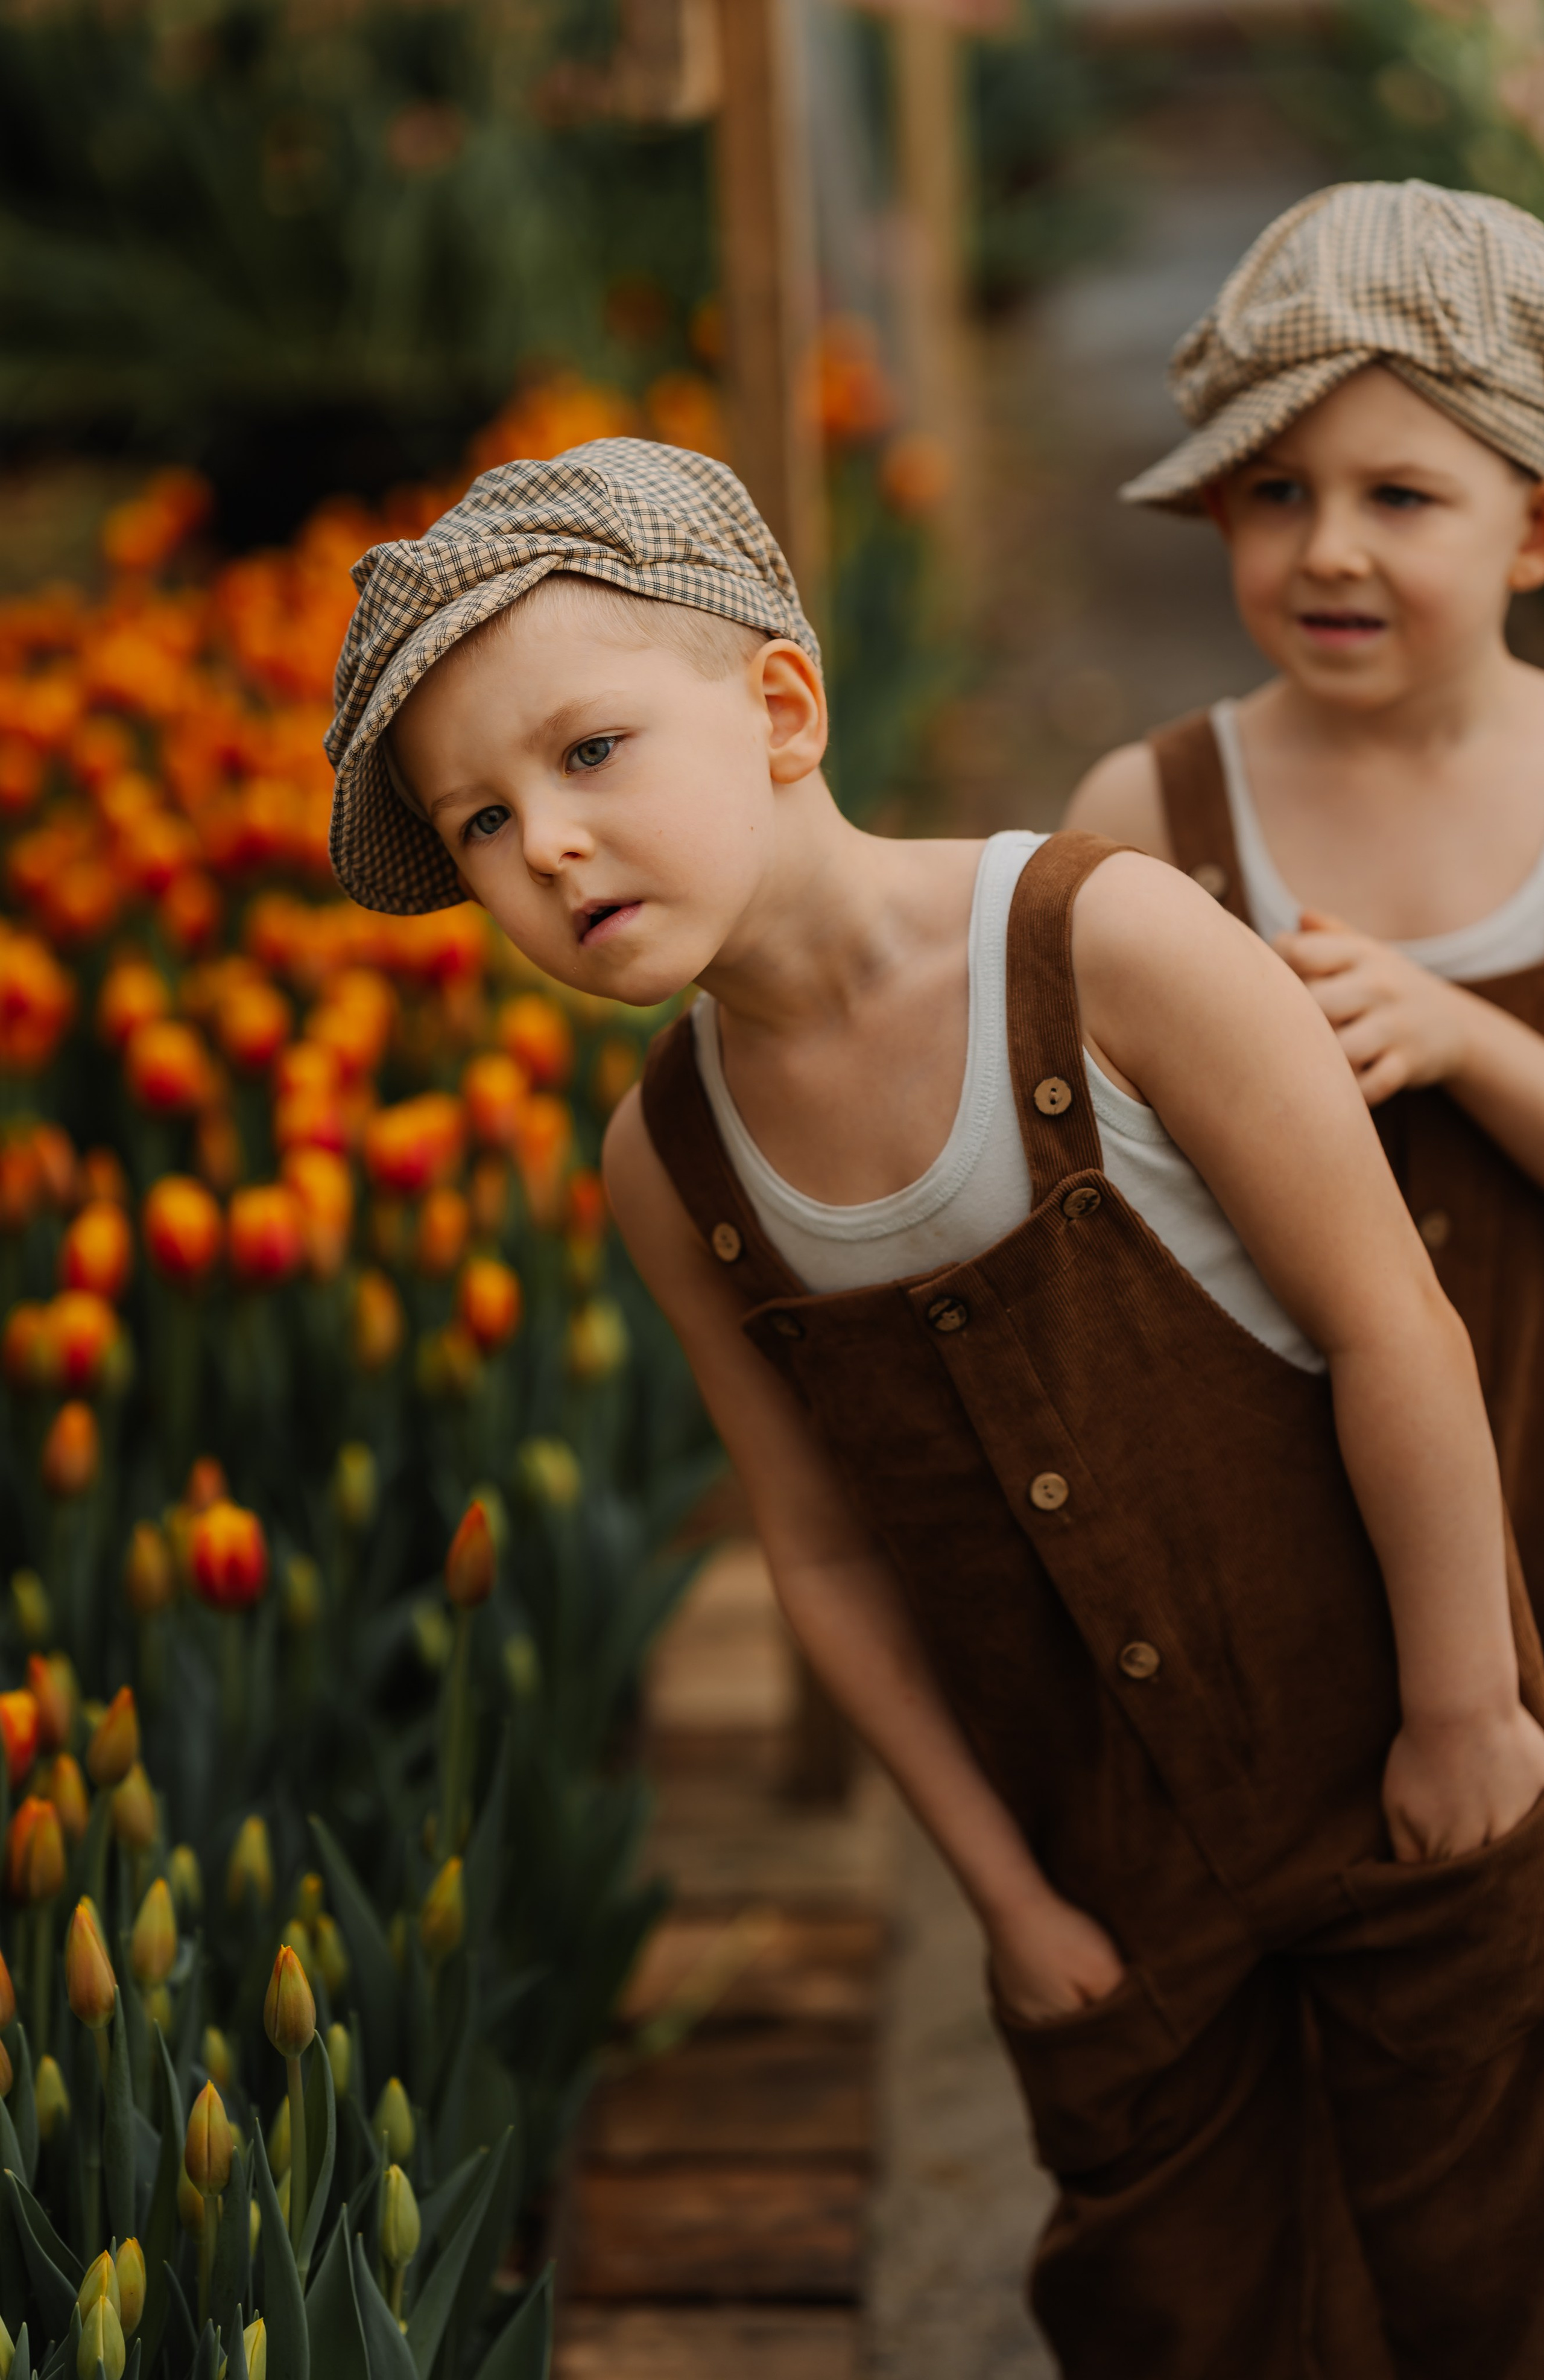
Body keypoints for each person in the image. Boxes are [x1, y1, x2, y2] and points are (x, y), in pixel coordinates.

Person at [326, 437, 1544, 2376]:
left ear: (783, 704)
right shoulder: (677, 1166)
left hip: (1393, 1764)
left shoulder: (1110, 946)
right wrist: (1007, 1898)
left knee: (1489, 2264)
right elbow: (819, 1546)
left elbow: (1393, 1323)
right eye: (475, 824)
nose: (541, 848)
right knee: (1178, 2309)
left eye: (589, 754)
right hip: (1106, 1880)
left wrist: (1468, 1712)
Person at [1068, 178, 1544, 1608]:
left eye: (1397, 494)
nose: (1326, 545)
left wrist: (1460, 1038)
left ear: (1529, 532)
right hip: (1294, 1543)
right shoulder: (1150, 811)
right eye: (1276, 491)